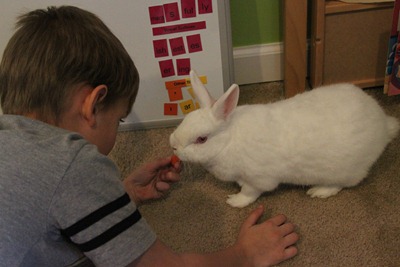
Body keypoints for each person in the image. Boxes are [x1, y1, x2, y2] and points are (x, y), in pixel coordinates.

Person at [0, 6, 299, 267]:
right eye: (118, 120)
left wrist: (121, 194)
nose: (117, 129)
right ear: (91, 105)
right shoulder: (75, 165)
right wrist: (244, 255)